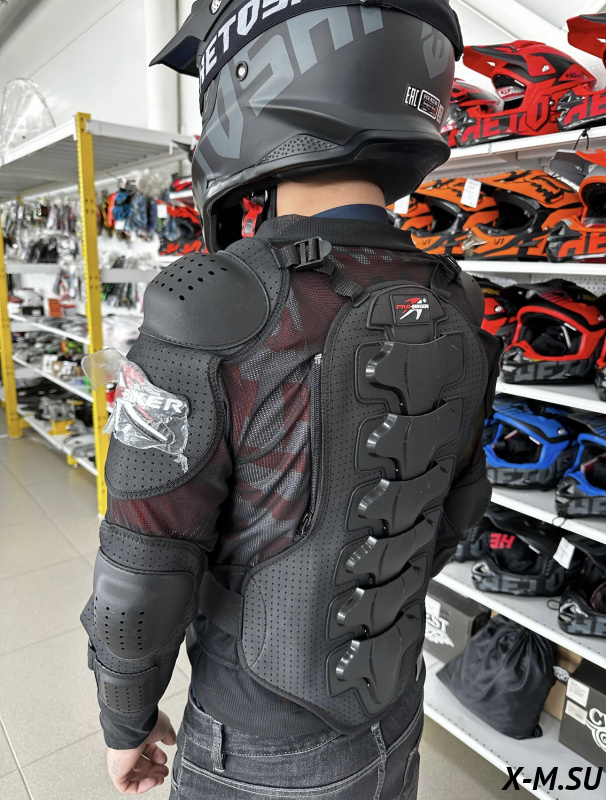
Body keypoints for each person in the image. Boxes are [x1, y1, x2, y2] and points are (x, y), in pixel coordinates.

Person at [81, 1, 501, 797]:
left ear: (250, 76)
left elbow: (142, 570)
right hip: (394, 709)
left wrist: (124, 720)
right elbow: (457, 510)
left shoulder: (211, 304)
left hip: (259, 742)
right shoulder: (457, 299)